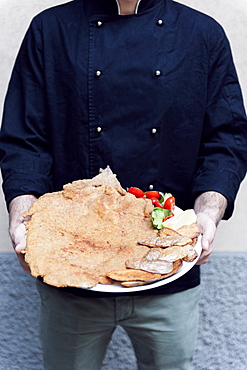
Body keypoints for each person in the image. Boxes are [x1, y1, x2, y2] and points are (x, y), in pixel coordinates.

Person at [0, 0, 247, 369]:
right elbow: (24, 142)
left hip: (169, 272)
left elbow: (226, 140)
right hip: (72, 275)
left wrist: (206, 216)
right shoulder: (50, 30)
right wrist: (21, 219)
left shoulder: (202, 34)